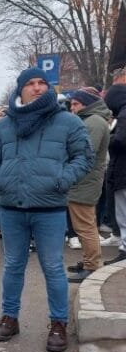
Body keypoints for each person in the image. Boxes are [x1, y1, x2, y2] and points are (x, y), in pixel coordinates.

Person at [0, 67, 93, 352]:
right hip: (12, 207)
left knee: (54, 267)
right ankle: (10, 317)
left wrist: (63, 180)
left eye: (42, 82)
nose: (37, 87)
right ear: (20, 89)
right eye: (30, 83)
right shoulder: (4, 126)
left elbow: (83, 157)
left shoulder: (67, 121)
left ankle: (58, 324)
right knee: (13, 265)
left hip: (50, 208)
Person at [65, 88, 111, 282]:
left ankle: (92, 266)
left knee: (85, 226)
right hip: (84, 180)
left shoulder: (93, 122)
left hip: (84, 181)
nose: (72, 108)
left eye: (76, 104)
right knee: (86, 224)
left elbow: (84, 152)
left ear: (86, 104)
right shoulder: (92, 120)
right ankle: (89, 260)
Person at [104, 79, 126, 264]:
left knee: (123, 214)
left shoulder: (124, 114)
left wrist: (108, 139)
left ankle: (125, 250)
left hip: (122, 173)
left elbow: (120, 140)